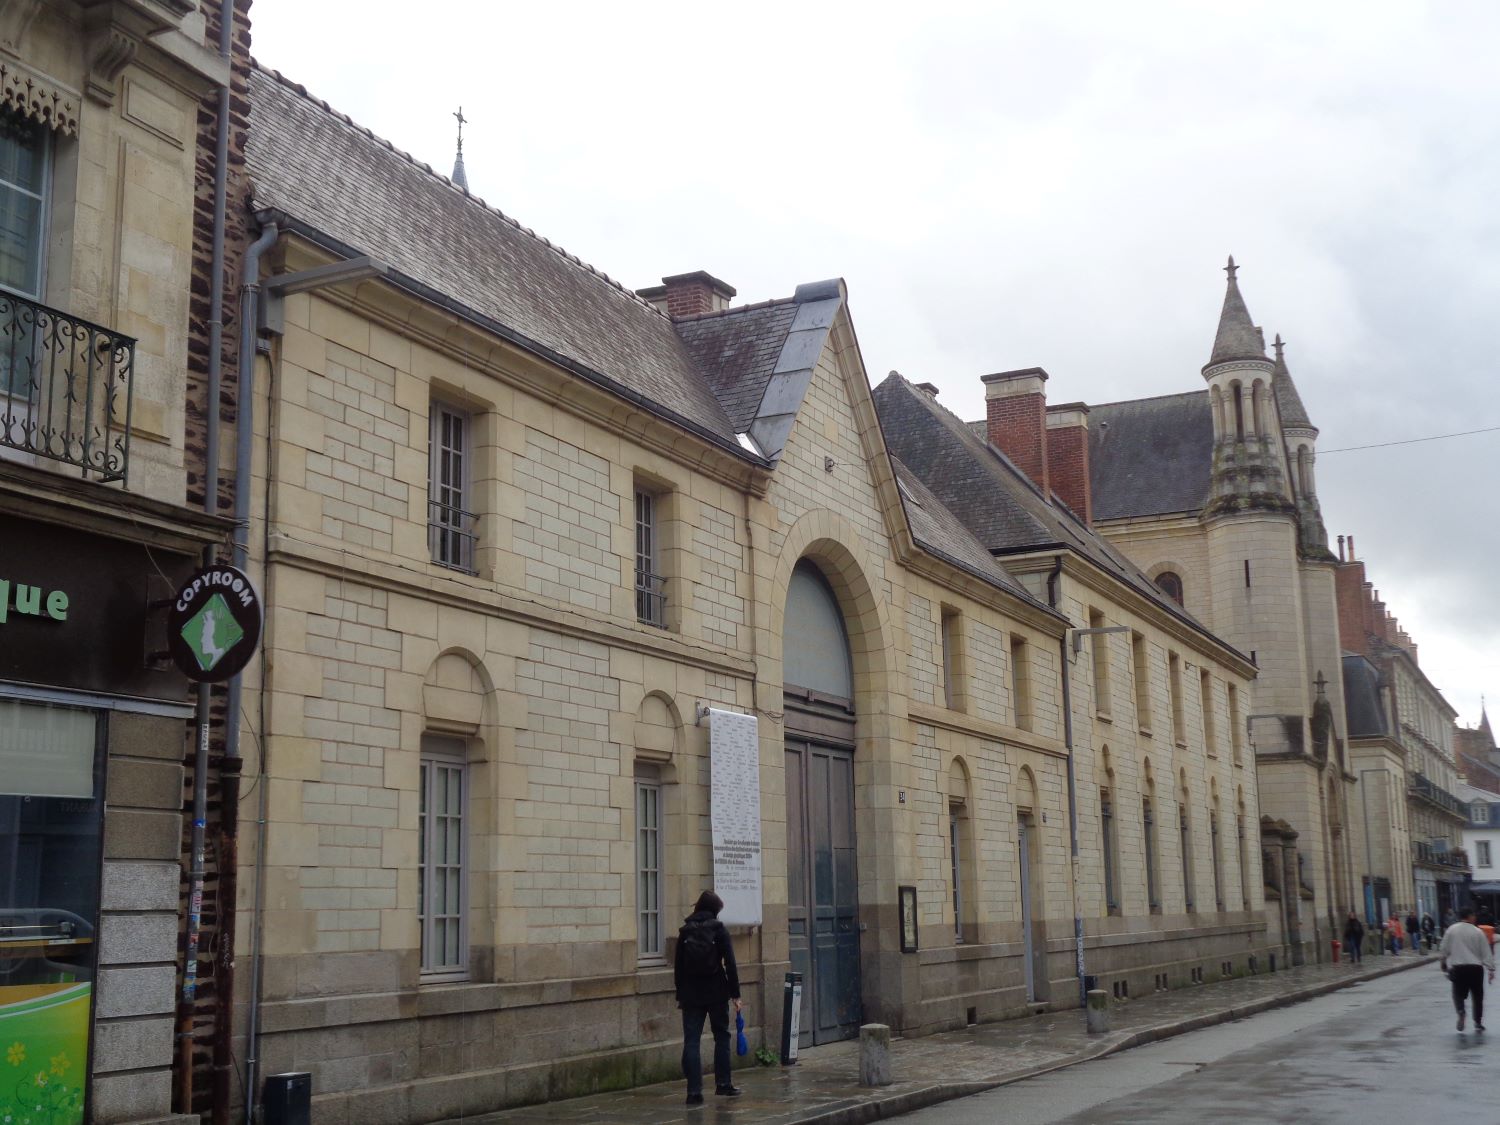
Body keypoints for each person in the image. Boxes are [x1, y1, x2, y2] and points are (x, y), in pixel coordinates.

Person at [675, 890, 742, 1106]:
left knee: (691, 1041)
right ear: (714, 910)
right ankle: (723, 1084)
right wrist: (736, 994)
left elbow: (678, 967)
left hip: (691, 995)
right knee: (721, 1036)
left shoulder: (685, 931)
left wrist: (680, 993)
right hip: (716, 992)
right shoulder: (719, 930)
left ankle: (694, 1092)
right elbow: (730, 964)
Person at [1440, 906, 1496, 1032]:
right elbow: (1485, 952)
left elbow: (1444, 948)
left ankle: (1461, 1011)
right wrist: (1491, 969)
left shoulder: (1451, 930)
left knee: (1457, 994)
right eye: (1473, 915)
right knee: (1477, 996)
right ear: (1469, 916)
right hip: (1475, 969)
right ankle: (1477, 1022)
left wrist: (1443, 962)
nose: (1475, 917)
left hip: (1458, 968)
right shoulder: (1477, 932)